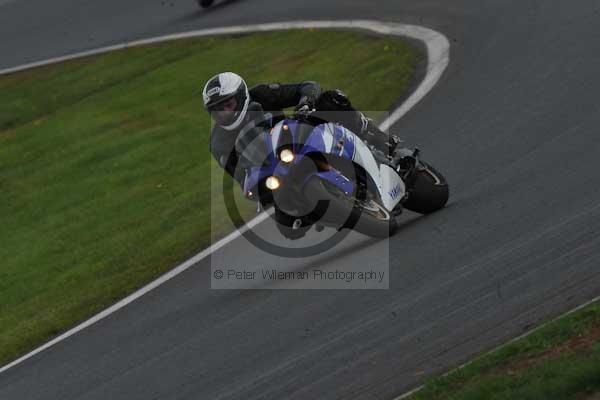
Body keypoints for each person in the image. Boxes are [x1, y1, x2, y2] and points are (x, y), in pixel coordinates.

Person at [202, 72, 400, 238]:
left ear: (242, 95)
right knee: (288, 229)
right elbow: (239, 174)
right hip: (273, 168)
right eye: (217, 110)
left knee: (330, 100)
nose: (224, 113)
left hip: (297, 137)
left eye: (228, 105)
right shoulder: (218, 143)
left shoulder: (261, 94)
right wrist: (253, 186)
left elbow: (306, 86)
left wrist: (306, 102)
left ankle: (378, 138)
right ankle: (333, 212)